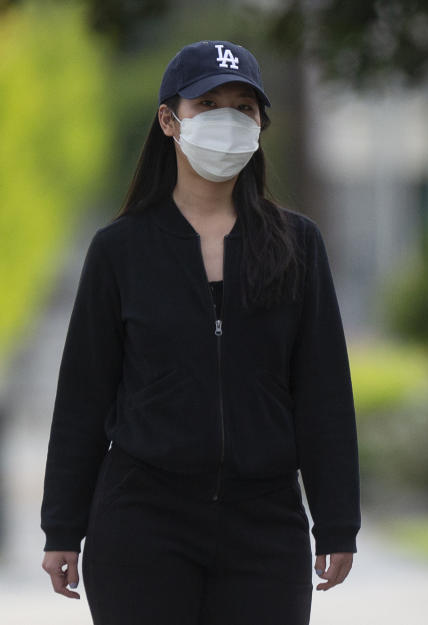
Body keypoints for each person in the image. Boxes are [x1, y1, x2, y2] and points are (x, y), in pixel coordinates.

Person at [40, 40, 359, 625]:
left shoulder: (296, 244)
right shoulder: (120, 250)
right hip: (142, 522)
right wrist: (61, 527)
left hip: (264, 526)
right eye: (207, 104)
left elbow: (324, 393)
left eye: (243, 108)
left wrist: (338, 521)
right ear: (169, 120)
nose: (227, 122)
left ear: (261, 123)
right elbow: (83, 395)